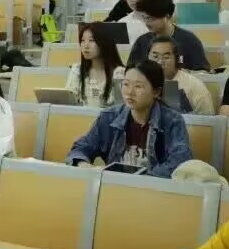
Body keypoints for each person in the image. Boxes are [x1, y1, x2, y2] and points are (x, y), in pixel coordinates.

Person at [65, 60, 193, 177]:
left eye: (138, 86)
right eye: (126, 84)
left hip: (154, 189)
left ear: (156, 92)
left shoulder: (172, 121)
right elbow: (81, 148)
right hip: (114, 186)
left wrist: (140, 179)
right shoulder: (109, 117)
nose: (129, 92)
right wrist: (84, 165)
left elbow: (180, 161)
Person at [127, 0, 209, 71]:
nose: (147, 23)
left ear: (167, 16)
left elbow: (203, 71)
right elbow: (130, 70)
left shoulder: (189, 40)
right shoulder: (142, 41)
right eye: (144, 18)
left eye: (151, 18)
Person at [148, 36, 213, 113]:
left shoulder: (193, 85)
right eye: (155, 57)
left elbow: (206, 118)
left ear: (176, 59)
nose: (160, 62)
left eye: (166, 57)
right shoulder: (141, 81)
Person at [66, 23, 125, 108]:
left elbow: (121, 109)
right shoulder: (77, 70)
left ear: (105, 42)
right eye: (82, 40)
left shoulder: (119, 73)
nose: (86, 45)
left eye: (91, 40)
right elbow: (68, 105)